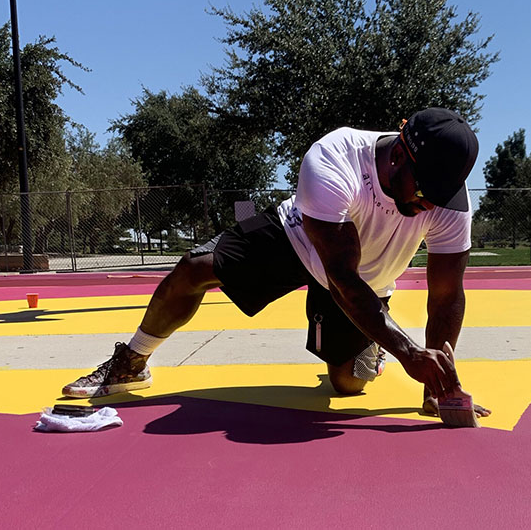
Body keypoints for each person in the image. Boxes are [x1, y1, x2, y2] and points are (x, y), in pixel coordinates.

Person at [62, 107, 489, 419]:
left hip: (367, 281)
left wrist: (439, 378)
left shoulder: (450, 202)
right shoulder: (335, 159)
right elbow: (339, 277)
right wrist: (409, 351)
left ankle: (368, 347)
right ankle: (132, 361)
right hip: (301, 240)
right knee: (195, 266)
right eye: (423, 191)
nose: (429, 203)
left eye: (440, 194)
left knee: (347, 386)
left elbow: (447, 295)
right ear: (398, 157)